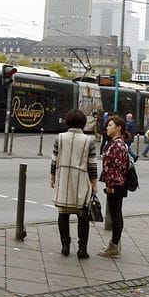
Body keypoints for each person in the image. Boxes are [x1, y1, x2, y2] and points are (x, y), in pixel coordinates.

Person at [50, 109, 97, 259]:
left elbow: (54, 159)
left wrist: (53, 177)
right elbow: (92, 165)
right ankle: (82, 249)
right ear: (83, 123)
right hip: (81, 181)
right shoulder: (89, 141)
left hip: (64, 178)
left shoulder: (60, 138)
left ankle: (65, 245)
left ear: (67, 122)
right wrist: (94, 184)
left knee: (63, 214)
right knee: (83, 216)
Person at [98, 114, 131, 257]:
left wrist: (110, 185)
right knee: (116, 212)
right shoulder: (117, 143)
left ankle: (114, 245)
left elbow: (114, 168)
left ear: (118, 128)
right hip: (117, 183)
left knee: (115, 214)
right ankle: (115, 243)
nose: (107, 127)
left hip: (116, 184)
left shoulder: (117, 145)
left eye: (110, 125)